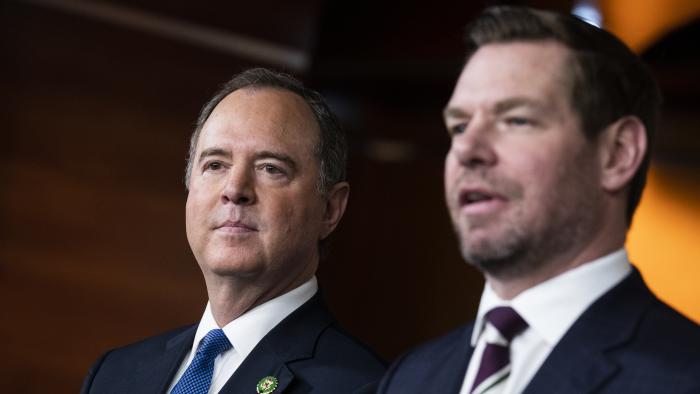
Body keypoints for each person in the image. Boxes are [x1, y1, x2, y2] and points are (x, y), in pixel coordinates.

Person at [379, 6, 700, 394]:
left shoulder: (684, 376)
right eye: (459, 125)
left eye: (517, 120)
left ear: (617, 153)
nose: (467, 149)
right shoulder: (408, 377)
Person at [81, 68, 385, 394]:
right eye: (215, 164)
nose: (235, 189)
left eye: (270, 168)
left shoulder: (366, 387)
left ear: (330, 209)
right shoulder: (114, 374)